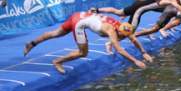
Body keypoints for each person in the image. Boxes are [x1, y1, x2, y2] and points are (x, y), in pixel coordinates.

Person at [24, 11, 152, 74]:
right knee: (83, 53)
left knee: (55, 33)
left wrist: (143, 52)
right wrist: (135, 61)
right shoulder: (111, 30)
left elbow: (133, 38)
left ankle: (32, 44)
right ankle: (57, 61)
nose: (122, 39)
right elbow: (119, 50)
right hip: (78, 24)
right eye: (122, 37)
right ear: (119, 32)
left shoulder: (121, 25)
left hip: (79, 15)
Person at [97, 0, 181, 30]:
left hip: (139, 5)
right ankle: (112, 37)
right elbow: (179, 7)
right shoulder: (171, 0)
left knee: (119, 12)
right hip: (139, 8)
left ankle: (97, 10)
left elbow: (145, 0)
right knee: (129, 29)